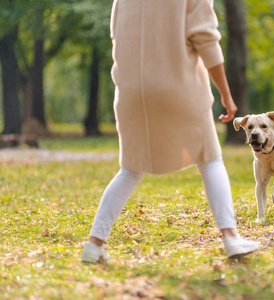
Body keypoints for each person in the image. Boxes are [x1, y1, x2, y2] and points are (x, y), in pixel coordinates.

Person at [81, 0, 259, 263]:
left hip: (131, 93)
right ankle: (231, 237)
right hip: (178, 86)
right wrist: (225, 92)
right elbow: (205, 38)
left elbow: (116, 36)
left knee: (130, 168)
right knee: (209, 158)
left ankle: (94, 245)